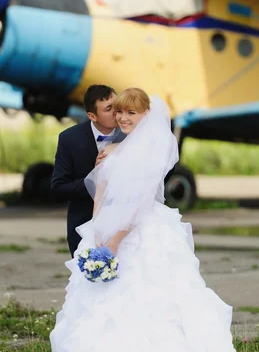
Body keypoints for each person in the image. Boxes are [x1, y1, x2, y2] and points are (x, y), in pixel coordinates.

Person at [50, 88, 236, 352]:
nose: (123, 118)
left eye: (130, 113)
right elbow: (100, 189)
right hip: (106, 227)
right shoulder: (113, 147)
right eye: (119, 112)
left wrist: (114, 241)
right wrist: (97, 230)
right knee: (101, 301)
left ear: (145, 115)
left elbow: (140, 202)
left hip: (139, 229)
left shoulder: (152, 148)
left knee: (147, 294)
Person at [51, 84, 126, 258]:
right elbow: (58, 188)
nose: (117, 112)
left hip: (126, 228)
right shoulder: (69, 139)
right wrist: (94, 177)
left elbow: (163, 167)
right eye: (109, 109)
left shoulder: (132, 133)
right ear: (92, 116)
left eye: (117, 105)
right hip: (86, 226)